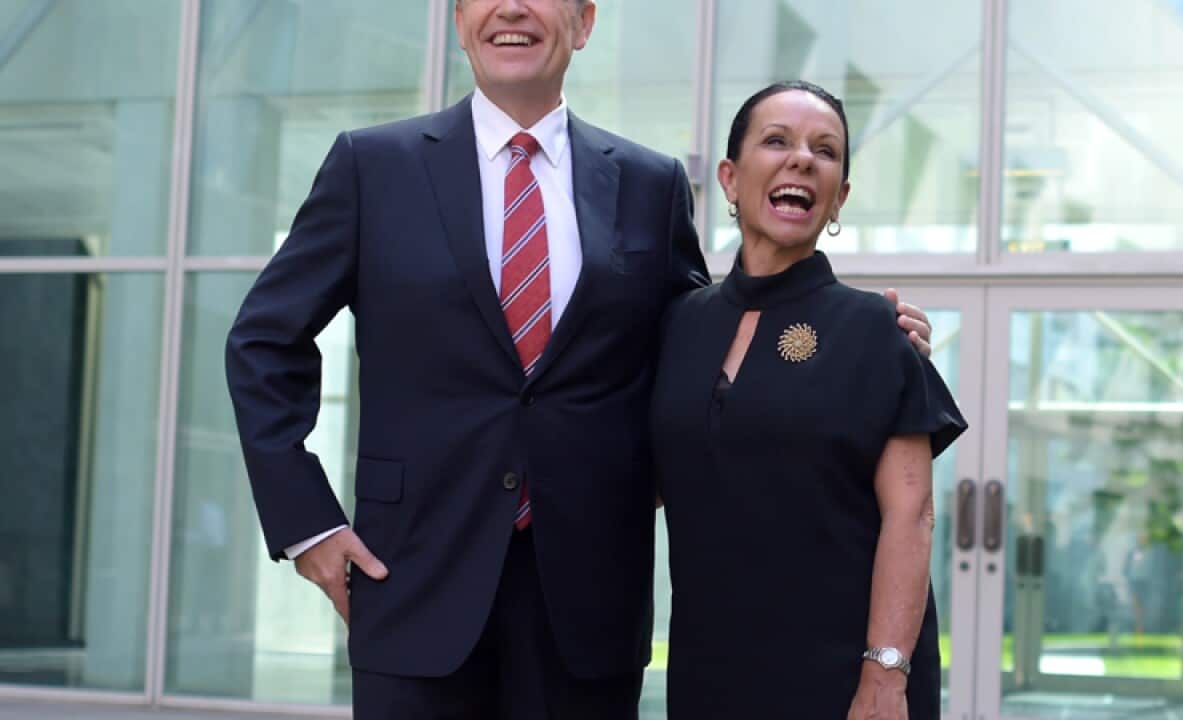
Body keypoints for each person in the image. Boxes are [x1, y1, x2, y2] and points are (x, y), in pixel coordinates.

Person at [225, 1, 934, 717]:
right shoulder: (372, 166)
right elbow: (263, 340)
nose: (512, 8)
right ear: (459, 18)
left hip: (588, 605)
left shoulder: (648, 184)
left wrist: (862, 332)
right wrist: (307, 524)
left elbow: (700, 344)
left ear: (585, 22)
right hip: (413, 582)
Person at [651, 80, 967, 720]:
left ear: (839, 198)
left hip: (848, 681)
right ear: (730, 178)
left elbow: (912, 516)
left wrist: (885, 675)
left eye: (825, 151)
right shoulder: (677, 324)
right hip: (709, 672)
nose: (802, 159)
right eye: (777, 141)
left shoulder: (876, 329)